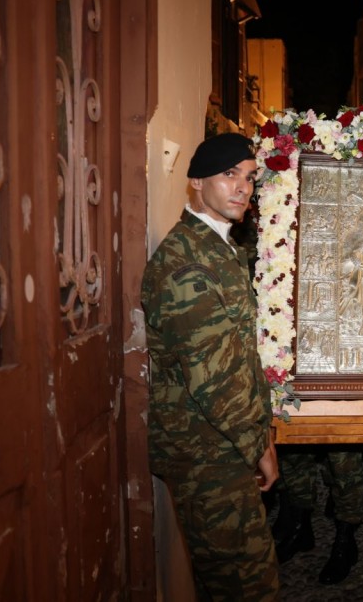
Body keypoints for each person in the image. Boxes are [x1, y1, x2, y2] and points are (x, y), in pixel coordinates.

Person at [142, 132, 279, 600]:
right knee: (247, 585)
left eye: (249, 177)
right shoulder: (186, 265)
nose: (242, 187)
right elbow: (215, 378)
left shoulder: (218, 248)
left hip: (223, 445)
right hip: (207, 454)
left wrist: (261, 431)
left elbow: (239, 352)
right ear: (197, 182)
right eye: (229, 174)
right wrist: (258, 445)